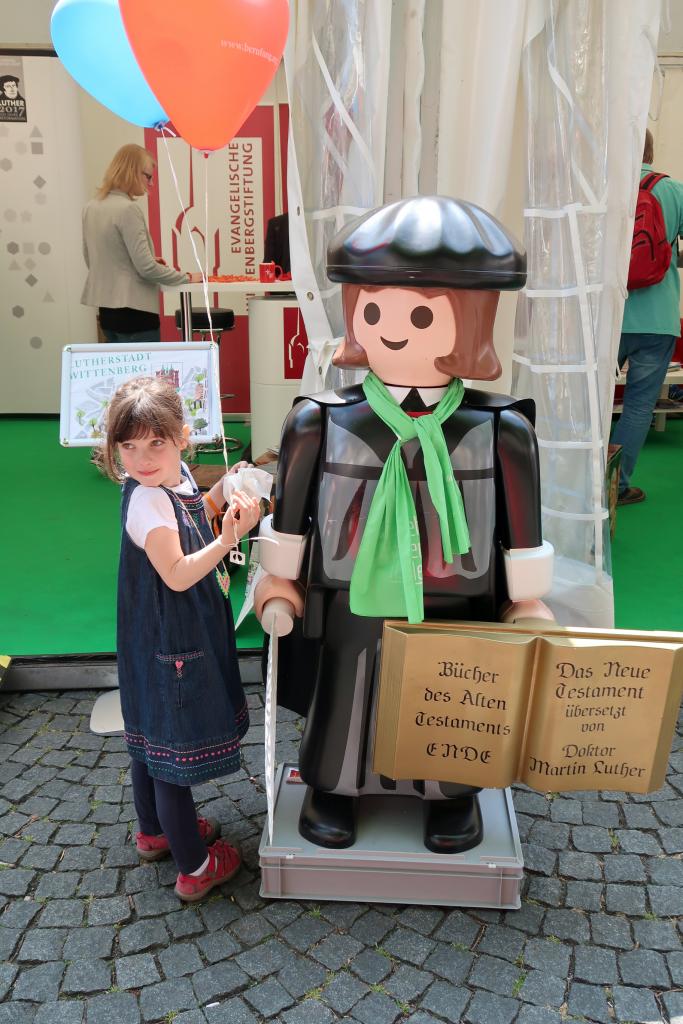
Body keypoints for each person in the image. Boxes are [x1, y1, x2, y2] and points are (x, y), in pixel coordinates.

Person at [254, 196, 553, 855]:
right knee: (347, 692)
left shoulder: (499, 431)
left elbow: (522, 530)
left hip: (457, 601)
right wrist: (278, 583)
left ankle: (449, 796)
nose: (394, 329)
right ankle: (333, 787)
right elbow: (291, 519)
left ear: (469, 321)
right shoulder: (320, 422)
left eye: (421, 314)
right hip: (350, 597)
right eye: (376, 309)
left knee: (451, 698)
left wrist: (526, 596)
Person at [98, 376, 261, 901]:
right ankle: (194, 865)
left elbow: (196, 505)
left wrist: (223, 491)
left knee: (149, 738)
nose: (142, 459)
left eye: (155, 444)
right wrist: (229, 539)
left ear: (182, 438)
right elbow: (178, 574)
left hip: (159, 640)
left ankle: (155, 833)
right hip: (171, 644)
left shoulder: (177, 478)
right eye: (129, 447)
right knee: (170, 757)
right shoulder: (147, 500)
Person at [611, 128, 683, 505]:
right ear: (652, 152)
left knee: (592, 402)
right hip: (658, 318)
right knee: (639, 405)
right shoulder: (673, 191)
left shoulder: (603, 189)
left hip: (608, 316)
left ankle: (577, 479)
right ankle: (616, 485)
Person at [82, 144, 201, 342]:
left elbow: (94, 258)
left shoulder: (91, 207)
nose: (151, 183)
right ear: (132, 171)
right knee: (145, 374)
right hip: (135, 313)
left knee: (121, 373)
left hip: (106, 313)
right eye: (148, 176)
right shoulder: (128, 210)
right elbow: (146, 268)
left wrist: (139, 262)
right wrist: (186, 277)